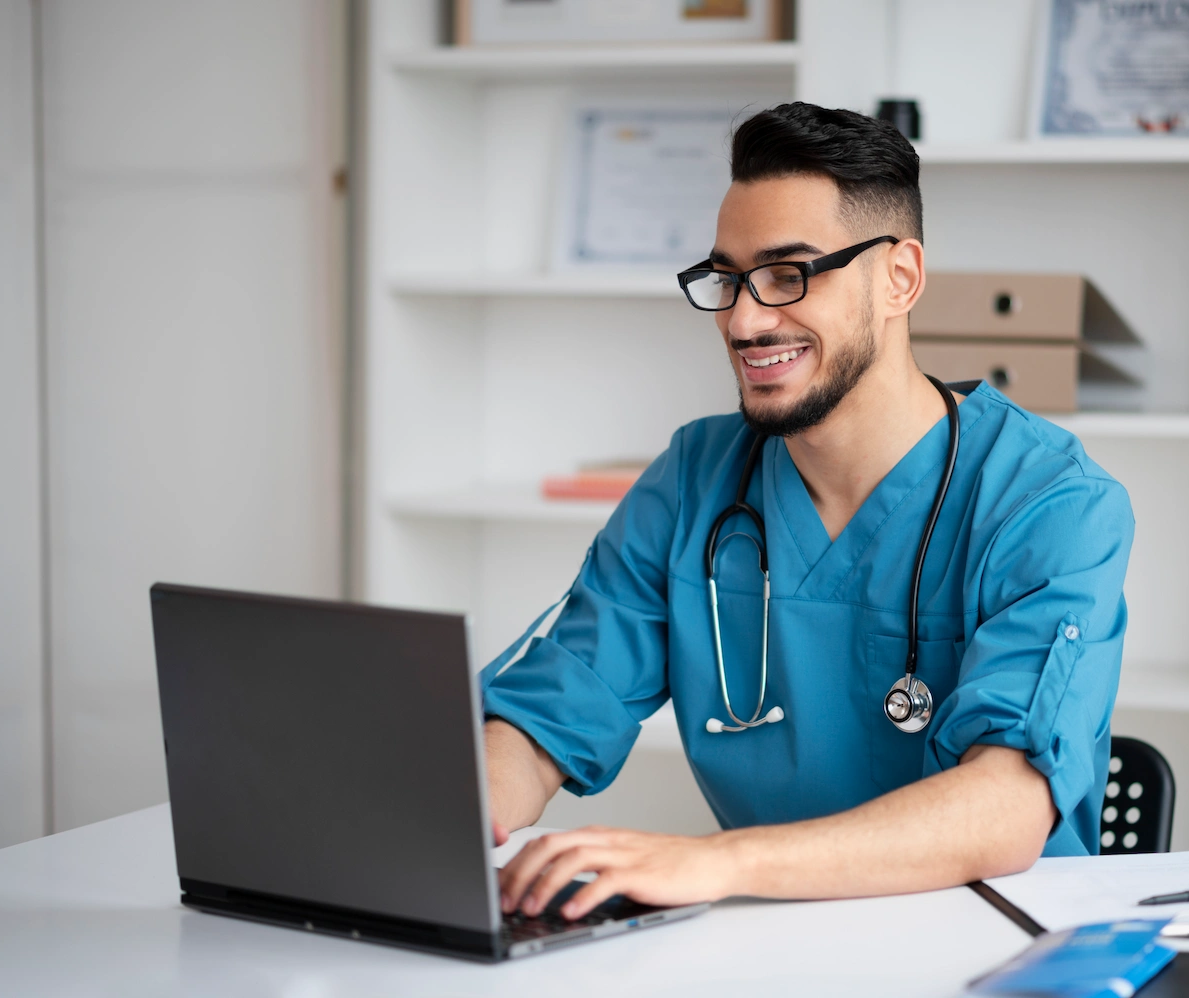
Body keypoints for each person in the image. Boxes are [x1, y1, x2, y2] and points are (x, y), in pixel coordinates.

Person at [482, 102, 1135, 922]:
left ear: (900, 278)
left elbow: (1004, 808)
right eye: (729, 278)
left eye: (789, 275)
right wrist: (442, 822)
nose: (745, 320)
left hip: (996, 952)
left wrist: (717, 862)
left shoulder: (1048, 501)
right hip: (775, 952)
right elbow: (548, 715)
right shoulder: (695, 480)